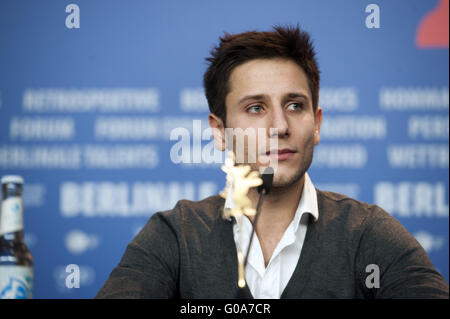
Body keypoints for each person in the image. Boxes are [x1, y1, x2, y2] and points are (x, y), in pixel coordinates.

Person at [95, 25, 449, 299]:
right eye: (255, 108)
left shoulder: (368, 235)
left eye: (295, 105)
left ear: (318, 123)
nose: (280, 126)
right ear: (219, 132)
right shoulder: (176, 236)